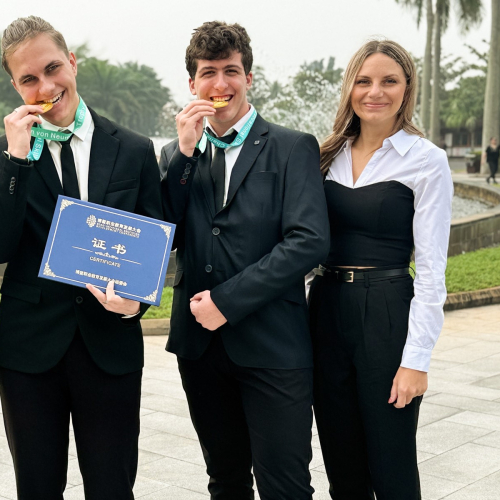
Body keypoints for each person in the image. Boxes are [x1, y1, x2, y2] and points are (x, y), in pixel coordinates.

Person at [0, 16, 161, 500]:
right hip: (29, 352)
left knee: (113, 488)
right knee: (37, 488)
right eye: (29, 79)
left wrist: (137, 304)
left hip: (110, 345)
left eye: (53, 68)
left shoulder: (134, 150)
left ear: (72, 62)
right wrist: (18, 160)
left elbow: (155, 245)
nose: (45, 87)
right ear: (15, 86)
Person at [160, 21, 329, 499]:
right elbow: (162, 234)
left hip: (274, 345)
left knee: (286, 486)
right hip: (200, 349)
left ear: (249, 78)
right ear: (192, 83)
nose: (220, 84)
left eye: (231, 71)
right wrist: (185, 154)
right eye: (208, 73)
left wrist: (227, 302)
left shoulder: (292, 146)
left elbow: (309, 240)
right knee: (225, 481)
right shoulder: (175, 154)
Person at [310, 40, 452, 499]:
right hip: (325, 310)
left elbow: (431, 269)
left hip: (387, 313)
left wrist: (416, 360)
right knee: (341, 465)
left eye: (389, 81)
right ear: (349, 88)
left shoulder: (426, 159)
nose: (375, 92)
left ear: (407, 88)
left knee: (392, 464)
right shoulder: (323, 156)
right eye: (364, 81)